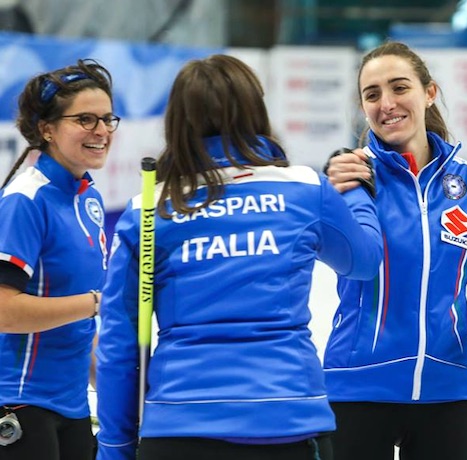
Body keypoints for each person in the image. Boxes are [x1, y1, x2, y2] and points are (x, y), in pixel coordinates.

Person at [94, 54, 383, 460]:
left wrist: (115, 447)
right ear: (255, 110)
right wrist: (355, 191)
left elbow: (119, 344)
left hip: (178, 425)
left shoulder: (149, 208)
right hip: (286, 423)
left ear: (177, 120)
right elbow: (365, 261)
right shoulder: (304, 188)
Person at [322, 41, 467, 460]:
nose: (387, 103)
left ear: (429, 92)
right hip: (357, 388)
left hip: (449, 391)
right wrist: (327, 194)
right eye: (372, 94)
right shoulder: (350, 178)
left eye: (399, 87)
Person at [0, 59, 116, 460]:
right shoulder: (26, 200)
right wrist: (99, 303)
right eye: (85, 119)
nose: (101, 131)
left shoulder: (89, 198)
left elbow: (71, 313)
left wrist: (110, 382)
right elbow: (5, 312)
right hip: (21, 401)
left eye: (107, 119)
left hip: (73, 404)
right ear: (47, 129)